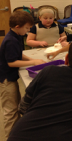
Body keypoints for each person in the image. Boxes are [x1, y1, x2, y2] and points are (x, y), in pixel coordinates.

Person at [0, 11, 46, 140]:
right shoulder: (10, 40)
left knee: (15, 105)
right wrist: (32, 62)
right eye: (26, 28)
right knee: (11, 110)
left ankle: (17, 134)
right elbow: (11, 62)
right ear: (17, 26)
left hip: (11, 77)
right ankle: (11, 137)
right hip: (6, 79)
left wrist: (31, 60)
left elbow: (18, 54)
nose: (27, 31)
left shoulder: (17, 36)